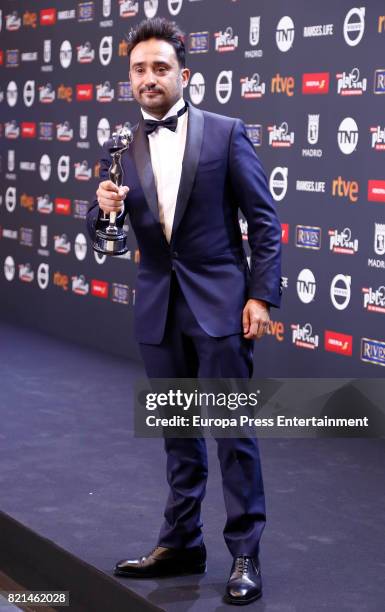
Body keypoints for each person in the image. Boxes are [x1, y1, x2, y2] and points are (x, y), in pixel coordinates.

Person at [86, 17, 282, 606]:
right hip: (158, 312)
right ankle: (181, 542)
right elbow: (104, 239)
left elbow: (265, 222)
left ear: (184, 75)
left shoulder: (225, 133)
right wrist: (103, 212)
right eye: (140, 70)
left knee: (232, 435)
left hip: (221, 307)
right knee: (177, 435)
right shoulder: (120, 150)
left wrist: (262, 296)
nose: (150, 78)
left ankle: (245, 552)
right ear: (131, 80)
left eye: (160, 68)